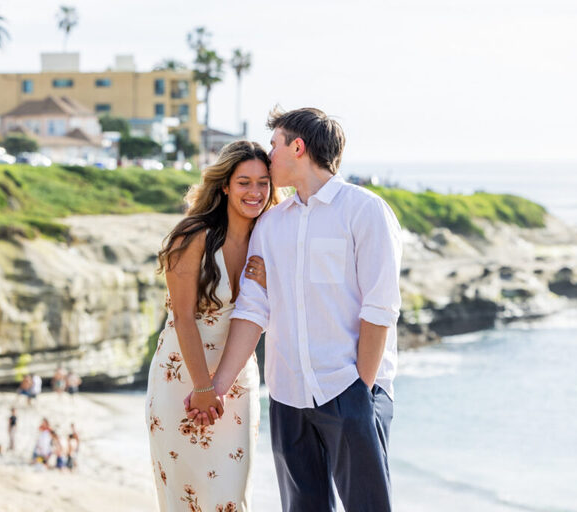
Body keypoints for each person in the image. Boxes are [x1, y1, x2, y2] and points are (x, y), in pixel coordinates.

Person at [189, 107, 403, 512]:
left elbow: (380, 309)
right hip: (287, 396)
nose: (270, 155)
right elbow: (253, 309)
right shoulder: (271, 225)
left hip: (348, 389)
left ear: (298, 147)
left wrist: (359, 389)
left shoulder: (365, 211)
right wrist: (215, 387)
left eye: (274, 144)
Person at [146, 140, 282, 511]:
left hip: (237, 381)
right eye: (244, 182)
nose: (255, 192)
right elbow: (183, 317)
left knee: (231, 498)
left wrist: (275, 281)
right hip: (181, 378)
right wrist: (203, 387)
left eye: (263, 182)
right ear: (224, 186)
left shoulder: (269, 238)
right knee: (184, 497)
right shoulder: (192, 236)